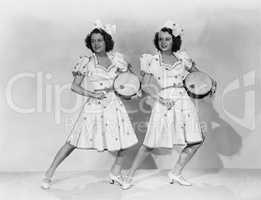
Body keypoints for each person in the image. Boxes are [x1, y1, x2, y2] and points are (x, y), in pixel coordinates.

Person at [41, 20, 138, 189]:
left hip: (114, 104)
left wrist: (130, 93)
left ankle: (115, 172)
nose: (96, 44)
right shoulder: (86, 62)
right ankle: (49, 173)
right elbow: (74, 86)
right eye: (93, 41)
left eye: (99, 40)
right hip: (94, 105)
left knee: (125, 140)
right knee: (73, 141)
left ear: (106, 41)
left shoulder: (117, 59)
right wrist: (92, 93)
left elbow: (128, 81)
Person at [121, 20, 216, 189]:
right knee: (150, 143)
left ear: (174, 40)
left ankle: (176, 172)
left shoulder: (182, 58)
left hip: (184, 100)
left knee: (197, 139)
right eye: (160, 39)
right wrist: (161, 99)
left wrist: (211, 82)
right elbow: (145, 85)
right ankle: (128, 177)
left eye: (167, 39)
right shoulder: (151, 59)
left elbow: (199, 75)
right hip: (164, 100)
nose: (163, 42)